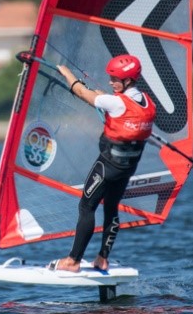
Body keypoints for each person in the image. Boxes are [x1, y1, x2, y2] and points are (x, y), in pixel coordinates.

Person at [49, 54, 156, 273]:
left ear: (127, 80)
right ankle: (102, 258)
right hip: (128, 167)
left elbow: (80, 92)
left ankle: (73, 261)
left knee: (86, 206)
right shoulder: (148, 102)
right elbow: (122, 108)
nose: (110, 82)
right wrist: (105, 98)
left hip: (107, 165)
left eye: (114, 79)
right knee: (110, 208)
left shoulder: (115, 102)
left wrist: (67, 73)